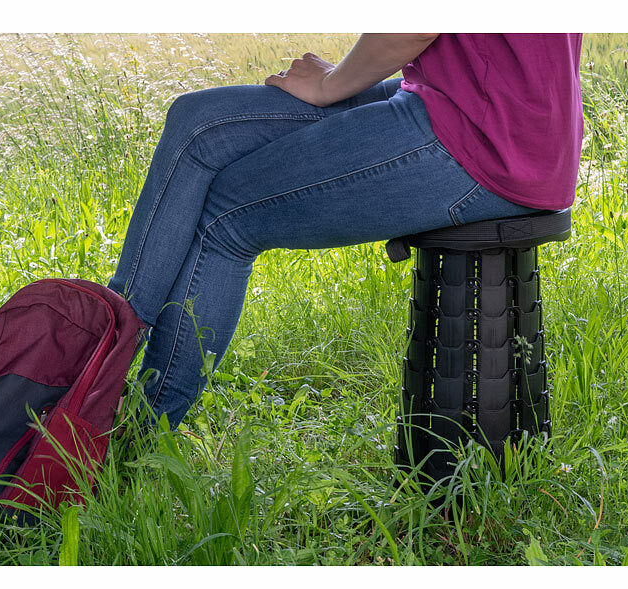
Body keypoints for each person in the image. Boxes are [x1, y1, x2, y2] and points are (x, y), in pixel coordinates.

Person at [108, 33, 584, 429]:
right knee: (199, 122)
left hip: (485, 140)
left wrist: (332, 84)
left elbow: (413, 25)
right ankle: (104, 344)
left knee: (225, 219)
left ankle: (136, 428)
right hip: (484, 106)